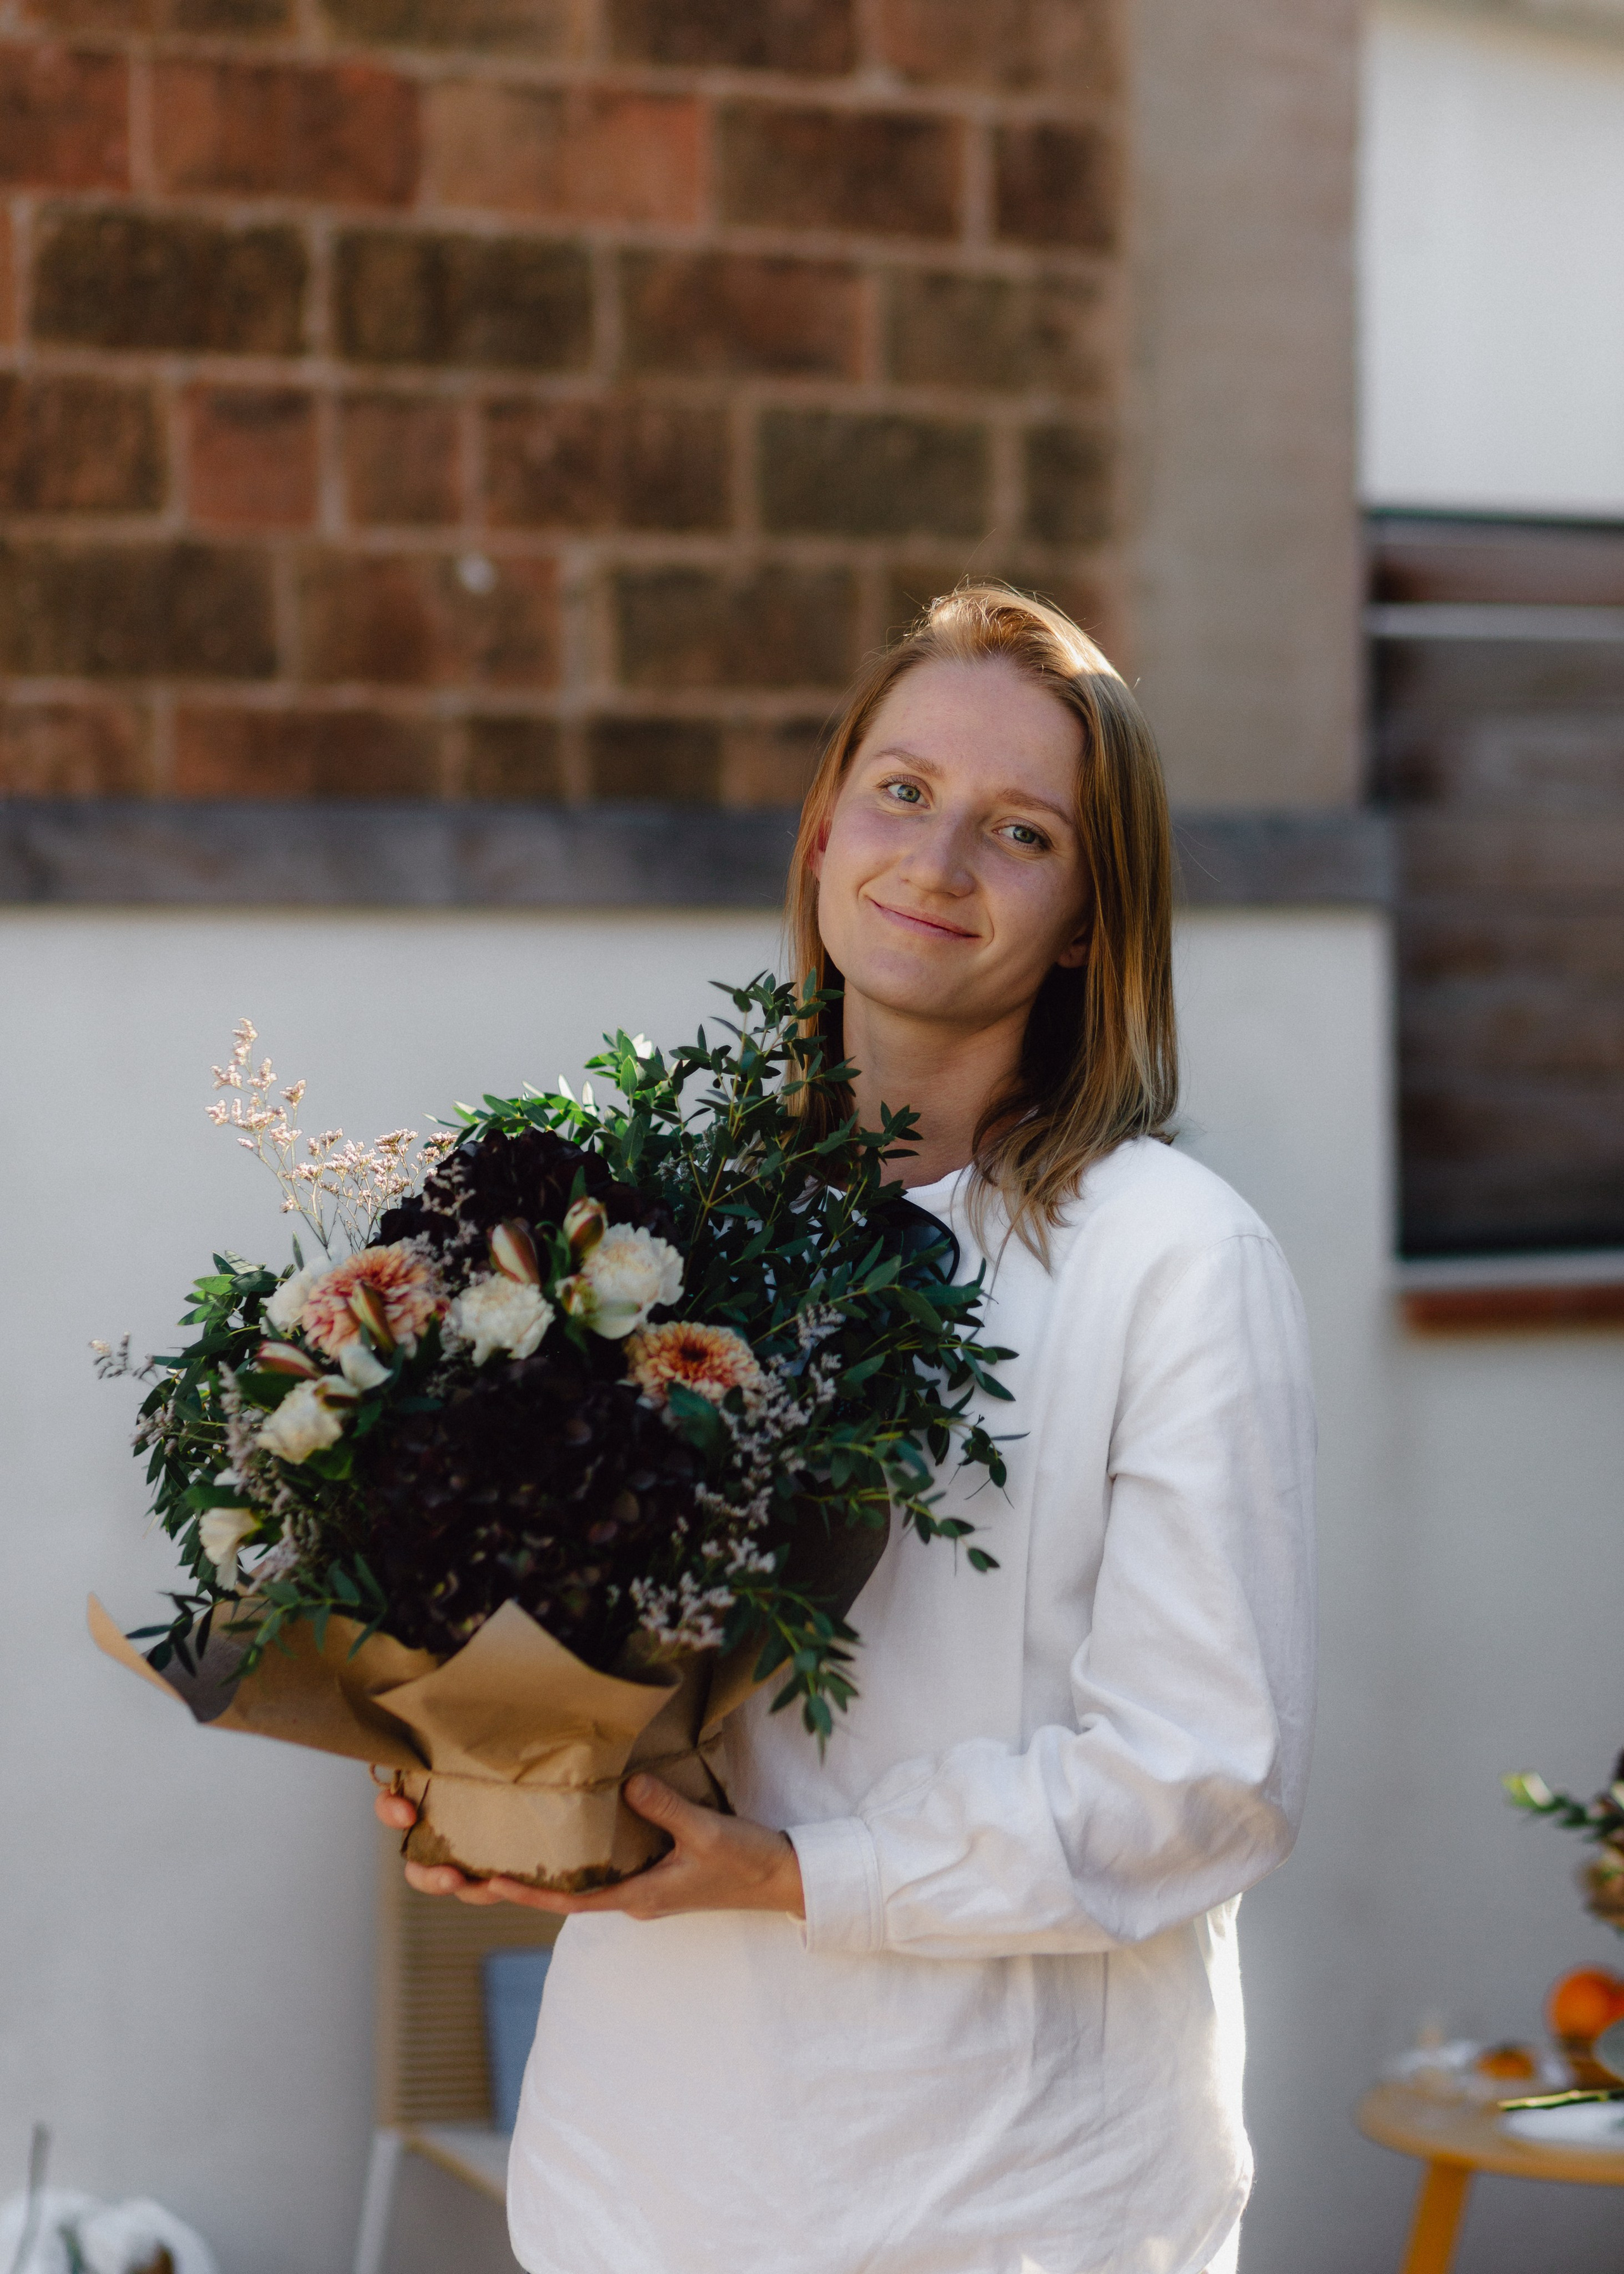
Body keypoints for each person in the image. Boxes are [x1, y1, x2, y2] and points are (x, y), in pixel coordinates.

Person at [377, 585, 1317, 2274]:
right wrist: (468, 1754)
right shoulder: (646, 1216)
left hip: (1010, 2202)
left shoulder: (1174, 1259)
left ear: (1095, 918)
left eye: (1019, 832)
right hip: (643, 2183)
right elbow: (537, 1608)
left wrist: (796, 1875)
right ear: (822, 833)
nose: (938, 860)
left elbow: (1205, 1776)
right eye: (901, 793)